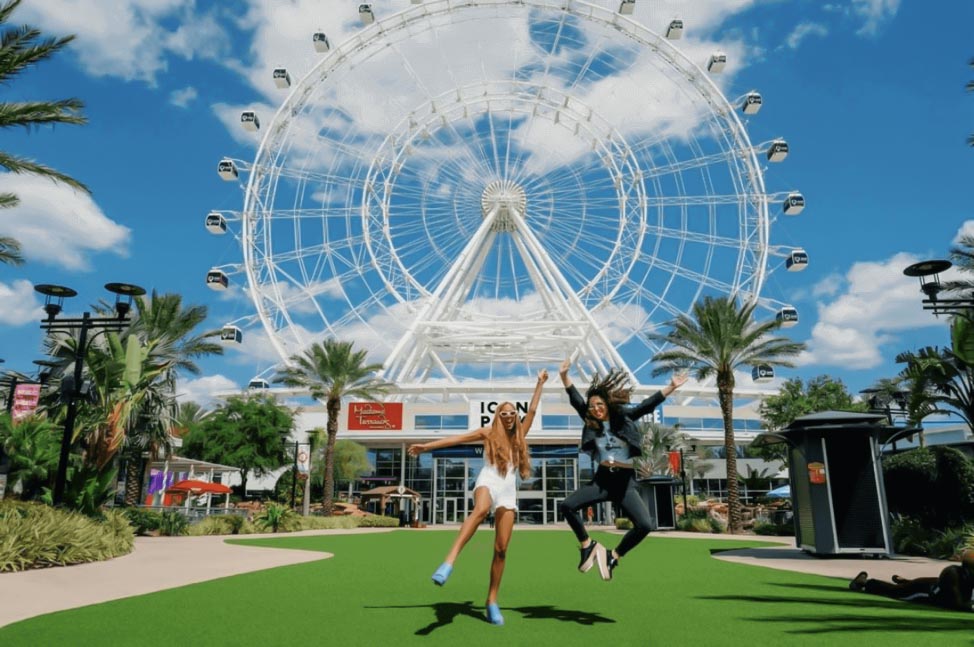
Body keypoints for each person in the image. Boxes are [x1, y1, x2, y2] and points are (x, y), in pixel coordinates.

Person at [408, 369, 549, 626]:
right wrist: (426, 447)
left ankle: (491, 601)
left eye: (511, 413)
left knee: (502, 549)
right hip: (488, 480)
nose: (507, 416)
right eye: (503, 413)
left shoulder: (520, 434)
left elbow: (533, 410)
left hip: (508, 489)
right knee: (481, 509)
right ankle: (448, 562)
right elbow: (457, 438)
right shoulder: (487, 433)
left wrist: (539, 383)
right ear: (498, 416)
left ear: (515, 416)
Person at [557, 358, 687, 581]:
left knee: (645, 525)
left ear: (607, 404)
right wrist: (564, 377)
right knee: (567, 506)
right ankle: (587, 545)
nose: (596, 409)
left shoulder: (624, 417)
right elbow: (575, 399)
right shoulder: (590, 420)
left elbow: (647, 405)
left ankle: (613, 556)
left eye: (600, 405)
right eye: (592, 406)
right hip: (602, 480)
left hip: (625, 483)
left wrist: (671, 387)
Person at [849, 550, 974, 611]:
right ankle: (863, 582)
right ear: (969, 568)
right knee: (893, 591)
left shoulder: (966, 575)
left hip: (932, 584)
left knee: (912, 584)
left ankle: (905, 581)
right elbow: (957, 605)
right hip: (923, 591)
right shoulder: (952, 573)